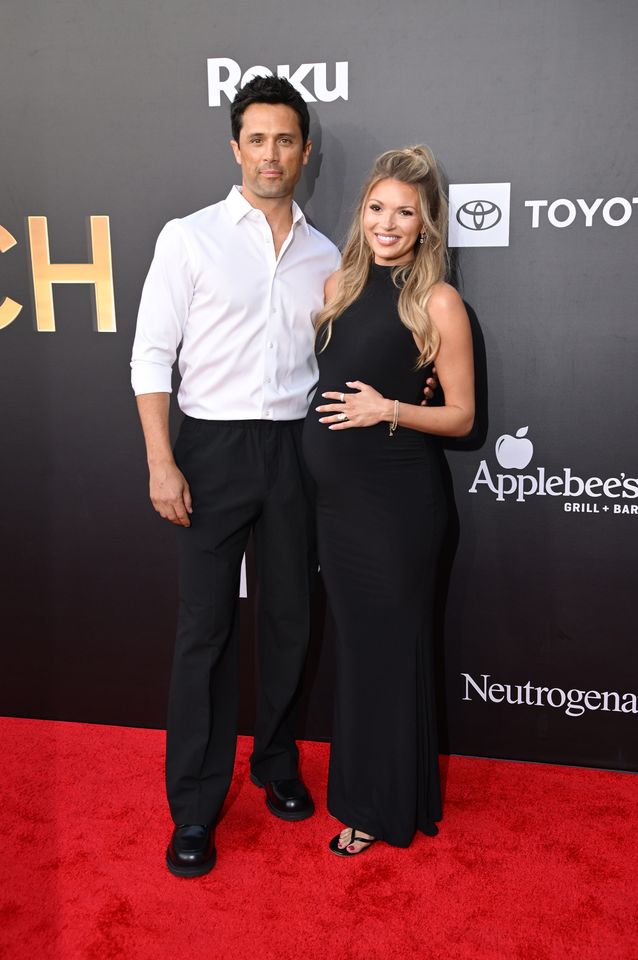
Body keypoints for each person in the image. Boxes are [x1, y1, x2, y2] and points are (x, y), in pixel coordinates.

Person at [302, 146, 474, 856]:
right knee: (363, 653)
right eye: (377, 208)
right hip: (336, 510)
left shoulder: (436, 301)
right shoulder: (337, 283)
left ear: (428, 223)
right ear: (362, 211)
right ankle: (377, 789)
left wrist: (391, 410)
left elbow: (461, 416)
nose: (388, 223)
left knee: (386, 655)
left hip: (397, 510)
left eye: (406, 212)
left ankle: (379, 807)